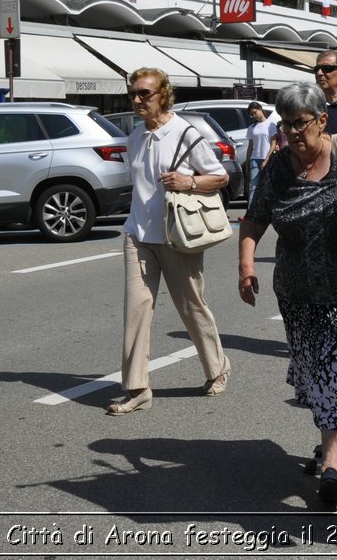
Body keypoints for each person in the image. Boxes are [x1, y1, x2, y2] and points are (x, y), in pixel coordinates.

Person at [237, 83, 337, 510]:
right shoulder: (278, 168)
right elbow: (254, 219)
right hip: (296, 291)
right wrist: (245, 265)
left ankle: (333, 464)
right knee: (315, 370)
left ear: (322, 120)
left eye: (301, 123)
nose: (294, 132)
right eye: (287, 123)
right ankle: (332, 442)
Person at [107, 68, 231, 415]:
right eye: (133, 94)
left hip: (178, 236)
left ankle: (217, 368)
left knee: (192, 307)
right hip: (138, 235)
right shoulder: (135, 137)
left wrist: (187, 182)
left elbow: (220, 176)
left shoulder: (185, 133)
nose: (137, 100)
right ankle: (137, 388)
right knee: (136, 310)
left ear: (163, 95)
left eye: (144, 94)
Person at [243, 100, 278, 200]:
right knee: (253, 187)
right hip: (255, 159)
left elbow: (273, 143)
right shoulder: (251, 128)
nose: (254, 116)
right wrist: (247, 163)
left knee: (267, 187)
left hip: (267, 159)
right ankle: (251, 212)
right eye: (251, 114)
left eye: (255, 112)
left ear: (260, 109)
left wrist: (267, 159)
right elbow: (250, 147)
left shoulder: (270, 125)